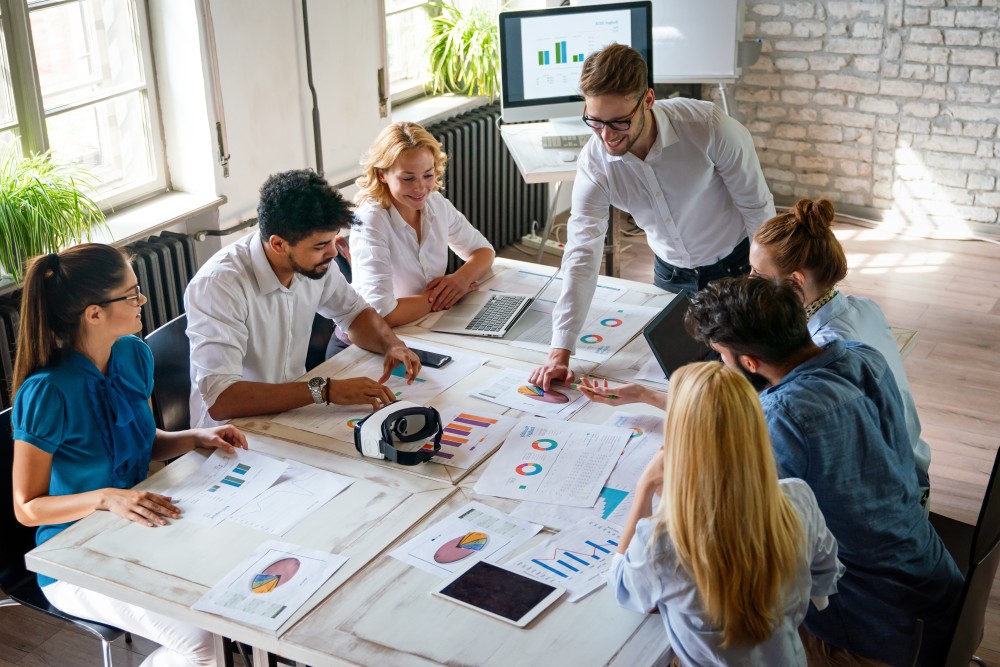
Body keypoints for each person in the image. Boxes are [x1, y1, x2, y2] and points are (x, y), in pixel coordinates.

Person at [682, 277, 961, 667]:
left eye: (721, 355)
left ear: (748, 363)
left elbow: (744, 531)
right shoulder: (863, 357)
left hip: (871, 630)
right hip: (936, 587)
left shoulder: (781, 418)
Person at [11, 244, 249, 667]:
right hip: (74, 558)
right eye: (131, 294)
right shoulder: (46, 392)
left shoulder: (132, 355)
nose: (143, 301)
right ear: (94, 313)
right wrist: (106, 497)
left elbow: (140, 440)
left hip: (143, 526)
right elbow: (28, 508)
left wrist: (196, 436)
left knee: (237, 591)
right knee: (201, 642)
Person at [530, 43, 775, 391]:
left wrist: (761, 283)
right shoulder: (595, 163)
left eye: (619, 122)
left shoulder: (708, 127)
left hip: (735, 268)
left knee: (746, 383)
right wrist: (560, 351)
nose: (606, 136)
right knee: (680, 385)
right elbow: (581, 254)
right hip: (671, 276)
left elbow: (758, 209)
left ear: (647, 100)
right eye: (594, 121)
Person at [609, 361, 844, 666]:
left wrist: (645, 486)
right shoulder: (798, 498)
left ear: (681, 444)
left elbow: (623, 588)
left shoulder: (664, 542)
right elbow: (825, 578)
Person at [185, 169, 421, 428]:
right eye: (320, 246)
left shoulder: (314, 262)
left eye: (332, 240)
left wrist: (391, 345)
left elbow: (354, 312)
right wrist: (325, 390)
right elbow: (222, 399)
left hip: (295, 411)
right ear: (278, 245)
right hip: (235, 431)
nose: (333, 253)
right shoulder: (218, 286)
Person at [750, 197, 931, 507]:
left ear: (796, 281)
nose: (750, 282)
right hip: (912, 463)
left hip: (894, 495)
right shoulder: (864, 307)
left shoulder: (827, 350)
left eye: (758, 276)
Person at [351, 121, 496, 326]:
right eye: (408, 178)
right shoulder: (370, 221)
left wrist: (460, 280)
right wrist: (442, 297)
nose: (420, 188)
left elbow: (484, 251)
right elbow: (382, 313)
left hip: (424, 322)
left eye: (428, 175)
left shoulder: (435, 203)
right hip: (377, 336)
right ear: (382, 174)